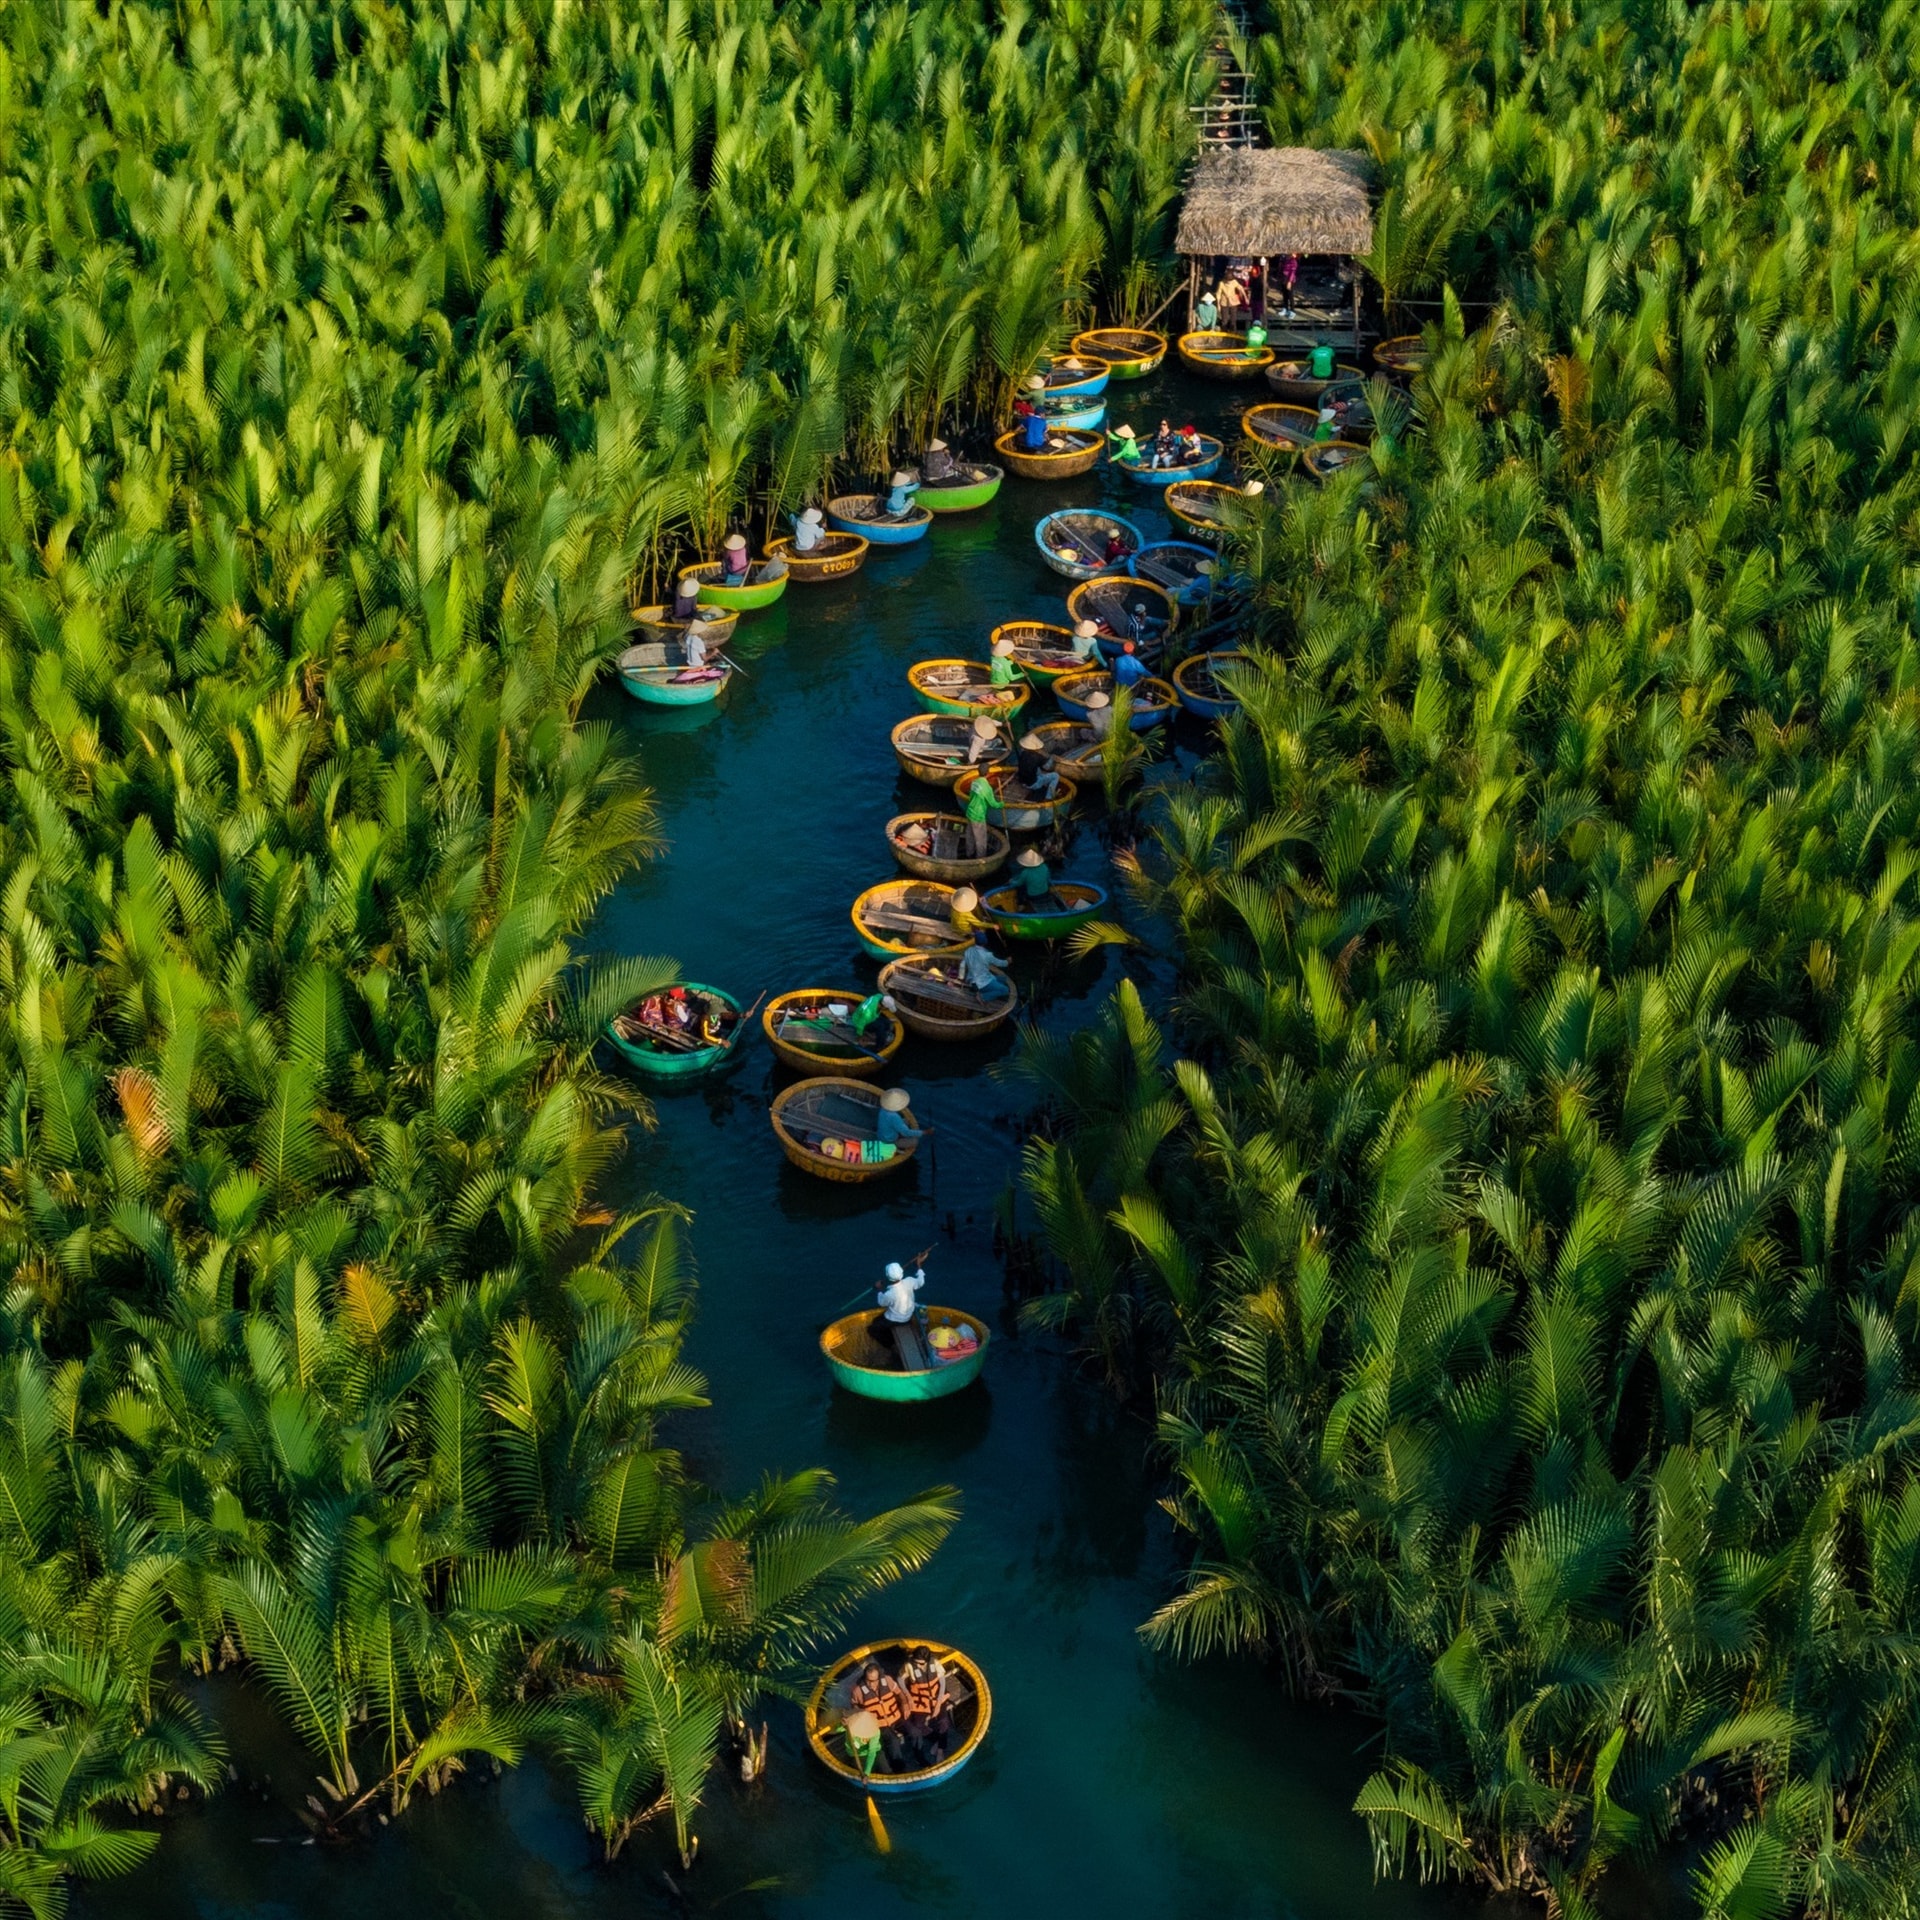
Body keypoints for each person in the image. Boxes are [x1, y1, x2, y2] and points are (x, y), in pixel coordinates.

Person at [848, 1662, 911, 1773]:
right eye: (868, 1680)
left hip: (895, 1717)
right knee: (893, 1740)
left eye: (873, 1681)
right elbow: (855, 1708)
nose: (870, 1684)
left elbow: (899, 1693)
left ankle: (920, 1757)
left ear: (879, 1677)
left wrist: (904, 1704)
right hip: (879, 1724)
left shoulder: (887, 1680)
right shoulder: (858, 1691)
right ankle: (899, 1769)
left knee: (915, 1732)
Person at [876, 1254, 932, 1370]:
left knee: (874, 1328)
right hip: (908, 1317)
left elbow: (882, 1302)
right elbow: (920, 1282)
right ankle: (894, 1341)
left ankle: (890, 1345)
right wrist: (919, 1265)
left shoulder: (889, 1294)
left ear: (887, 1276)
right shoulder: (909, 1281)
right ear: (901, 1274)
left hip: (893, 1320)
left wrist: (879, 1289)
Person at [901, 1648, 953, 1766]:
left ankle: (940, 1751)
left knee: (943, 1721)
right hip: (920, 1700)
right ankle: (936, 1739)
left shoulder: (935, 1663)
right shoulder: (909, 1665)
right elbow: (900, 1679)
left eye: (921, 1663)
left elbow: (942, 1681)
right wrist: (907, 1696)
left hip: (936, 1697)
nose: (918, 1665)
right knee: (918, 1725)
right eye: (916, 1662)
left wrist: (938, 1703)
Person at [958, 928, 1011, 999]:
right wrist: (1008, 961)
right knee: (1005, 990)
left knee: (1003, 979)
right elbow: (1001, 963)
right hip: (982, 983)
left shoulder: (968, 951)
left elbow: (962, 966)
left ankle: (987, 991)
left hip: (972, 981)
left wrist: (961, 978)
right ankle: (982, 997)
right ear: (985, 942)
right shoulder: (988, 955)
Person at [1016, 731, 1062, 800]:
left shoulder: (1022, 753)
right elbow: (1047, 767)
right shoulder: (1037, 757)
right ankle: (1048, 797)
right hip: (1033, 784)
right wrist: (1052, 758)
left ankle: (1044, 784)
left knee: (1038, 769)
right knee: (1055, 776)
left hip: (1022, 781)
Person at [1013, 845, 1059, 911]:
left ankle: (1021, 905)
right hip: (1045, 893)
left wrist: (1011, 882)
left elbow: (1018, 884)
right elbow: (1048, 878)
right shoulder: (1044, 866)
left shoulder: (1025, 872)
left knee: (1020, 888)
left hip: (1033, 896)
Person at [961, 772, 996, 860]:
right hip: (978, 815)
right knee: (981, 839)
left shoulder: (974, 782)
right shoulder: (987, 788)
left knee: (970, 835)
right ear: (987, 773)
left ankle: (969, 853)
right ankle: (980, 858)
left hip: (970, 812)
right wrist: (1001, 804)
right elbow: (992, 803)